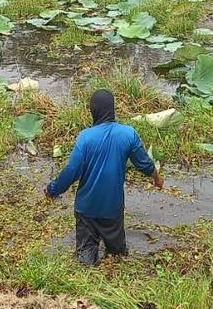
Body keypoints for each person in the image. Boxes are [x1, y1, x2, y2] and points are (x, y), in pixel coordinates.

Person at [45, 90, 163, 266]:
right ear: (112, 109)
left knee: (85, 261)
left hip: (86, 210)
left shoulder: (85, 137)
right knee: (118, 255)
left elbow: (71, 171)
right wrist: (156, 178)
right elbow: (144, 163)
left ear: (93, 111)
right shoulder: (128, 134)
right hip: (112, 210)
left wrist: (52, 189)